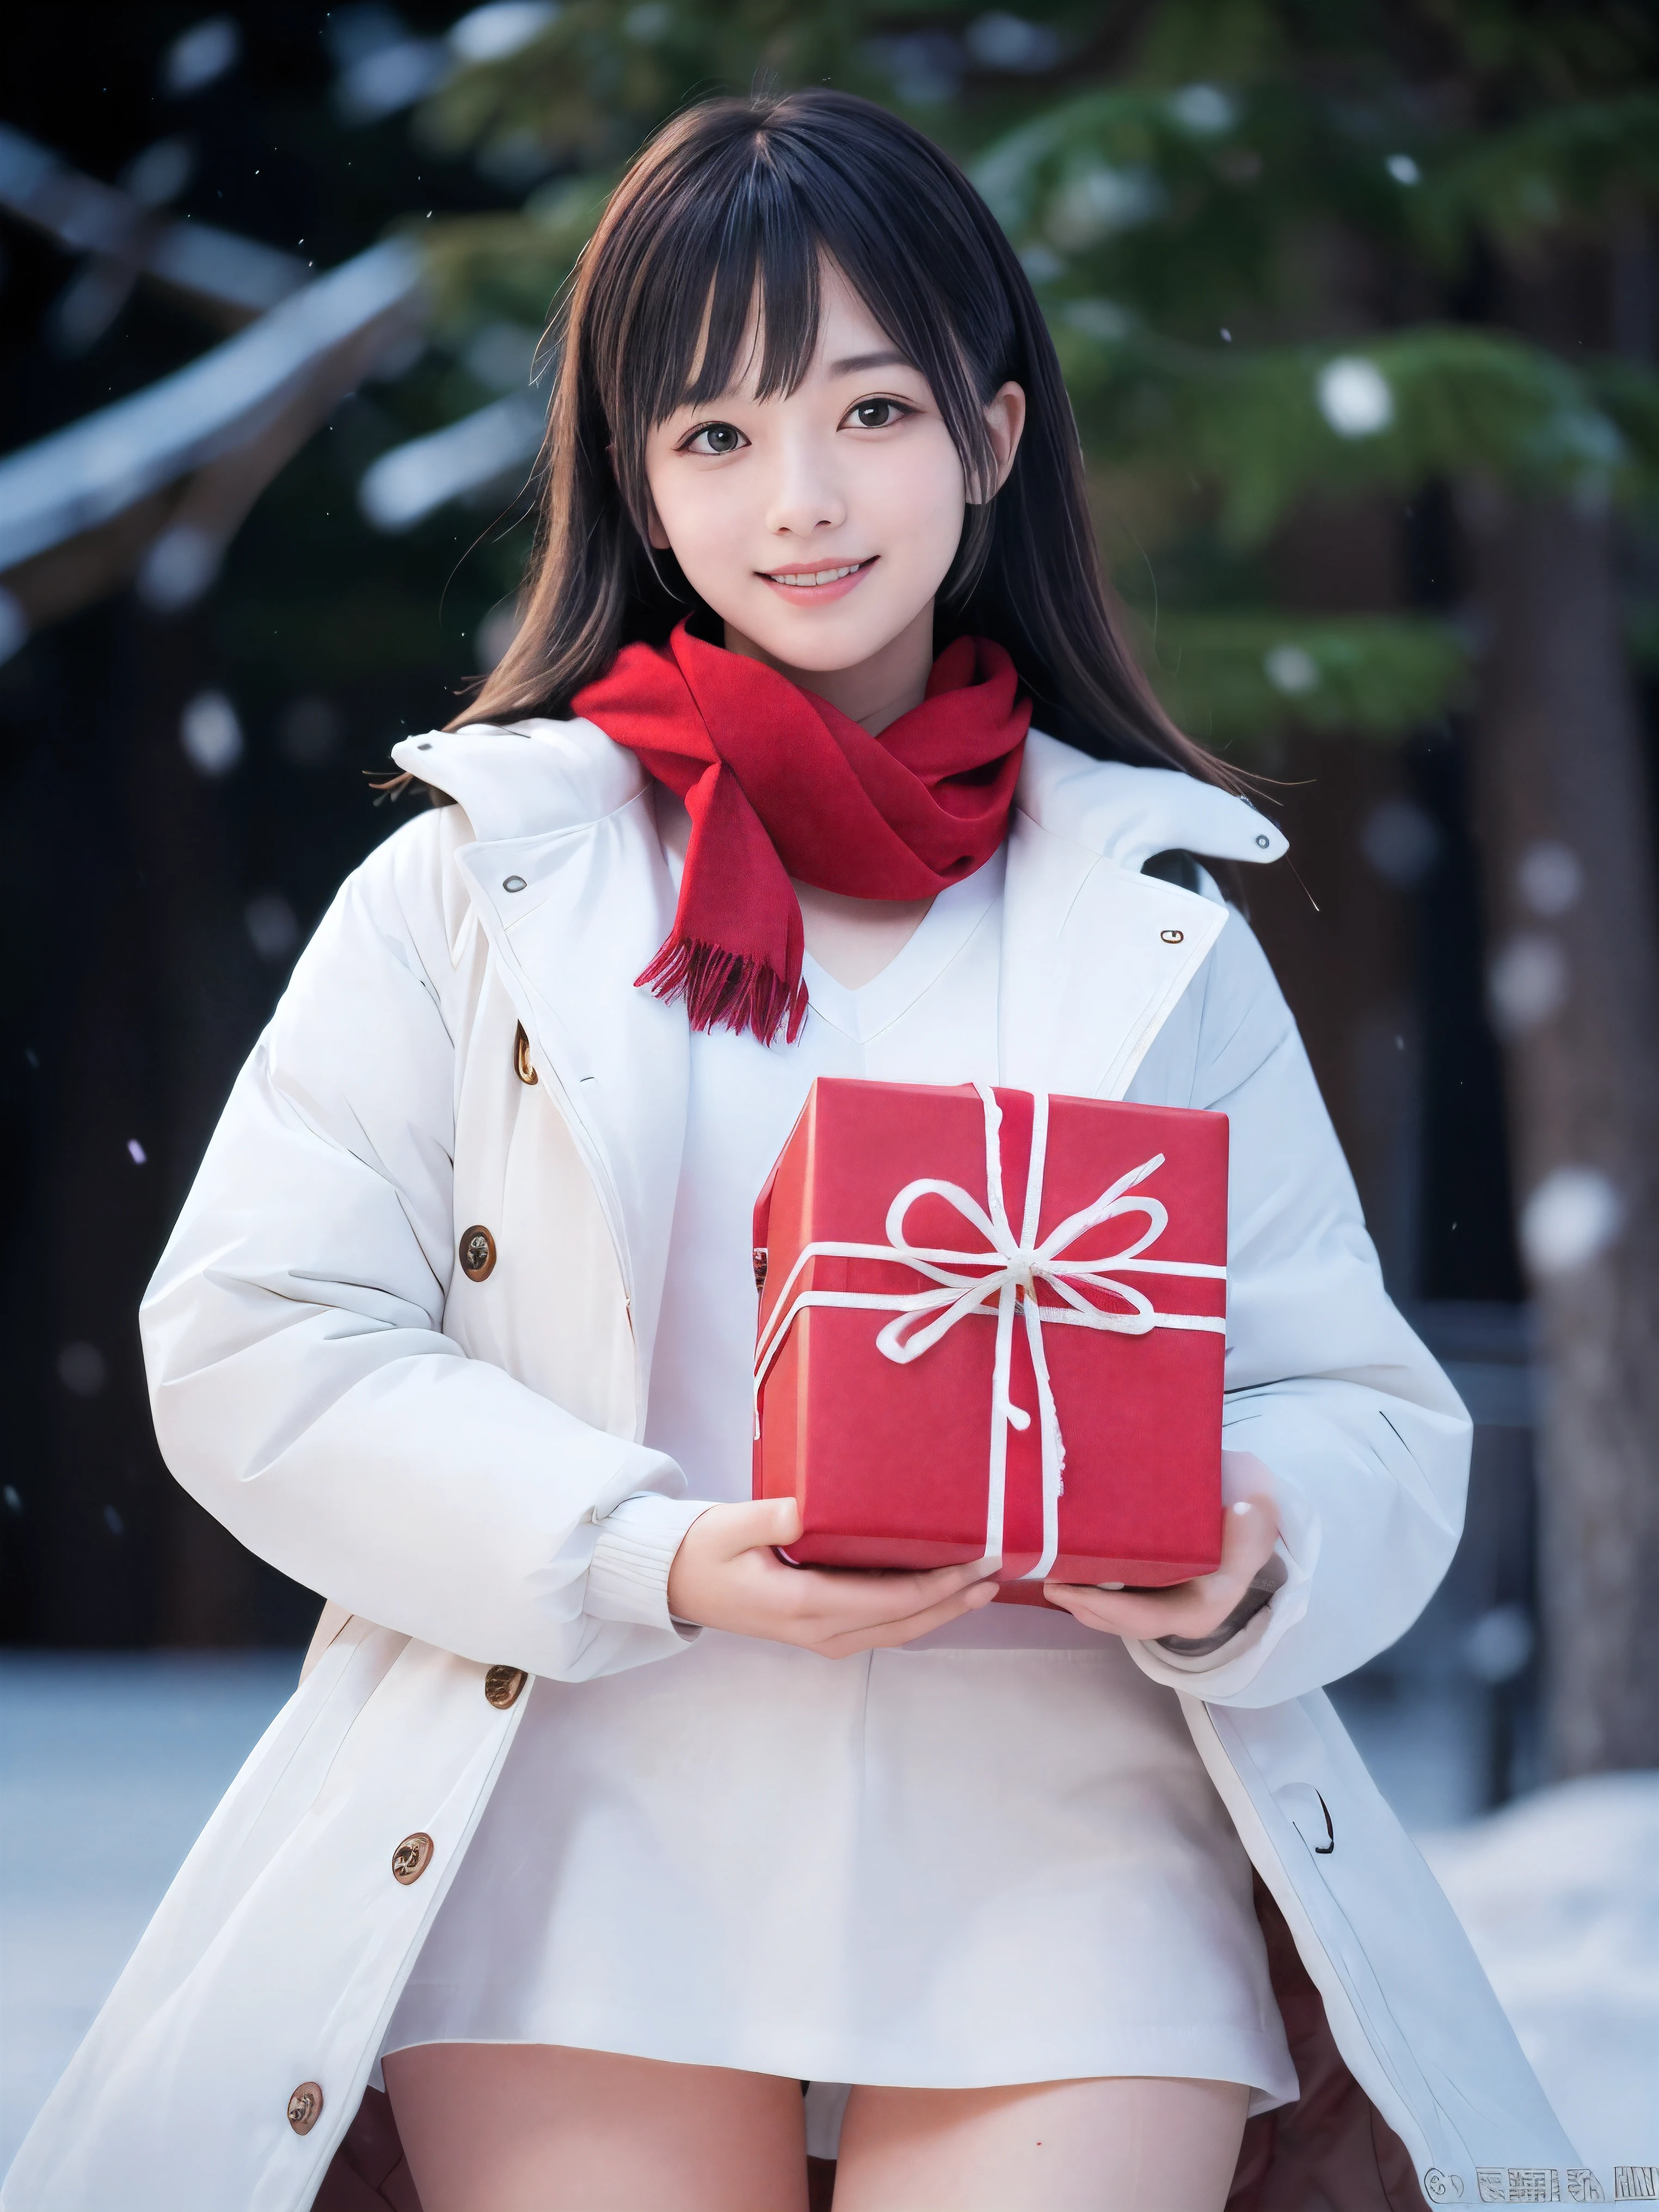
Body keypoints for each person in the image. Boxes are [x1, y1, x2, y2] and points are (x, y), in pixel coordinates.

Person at [4, 89, 1574, 2212]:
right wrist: (644, 1548)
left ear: (994, 436)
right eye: (719, 436)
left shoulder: (1150, 921)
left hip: (1069, 1850)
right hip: (588, 1820)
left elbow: (1362, 1410)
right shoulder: (483, 890)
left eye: (871, 411)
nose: (805, 499)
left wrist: (1248, 1536)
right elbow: (253, 1337)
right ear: (639, 483)